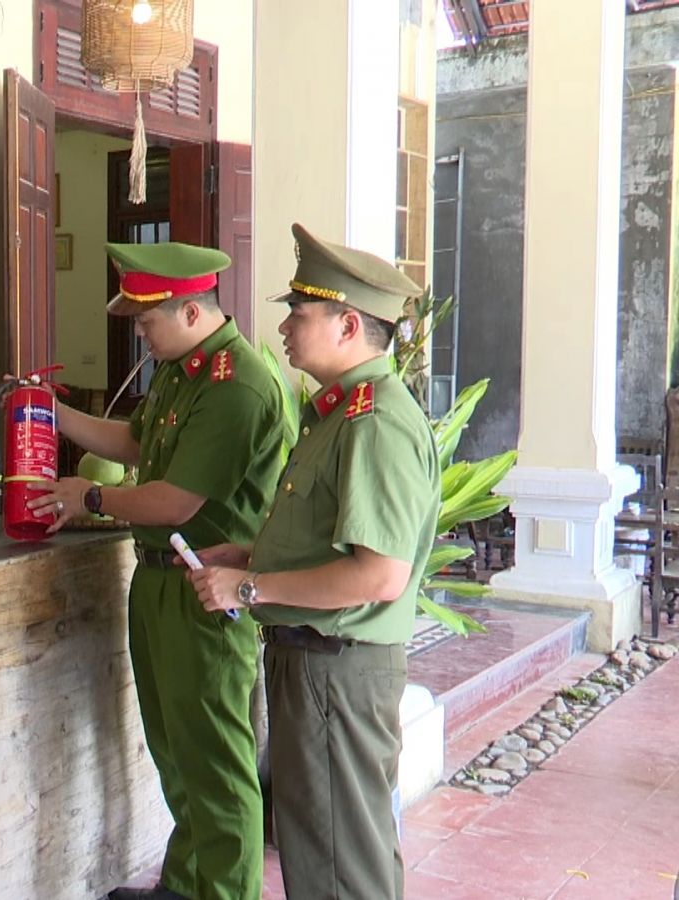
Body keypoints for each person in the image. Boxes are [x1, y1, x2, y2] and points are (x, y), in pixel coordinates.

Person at [186, 223, 440, 900]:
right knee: (323, 852)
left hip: (336, 669)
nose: (285, 329)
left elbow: (378, 575)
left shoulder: (375, 422)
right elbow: (332, 542)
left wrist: (250, 585)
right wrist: (251, 555)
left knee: (338, 868)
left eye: (299, 315)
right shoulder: (340, 414)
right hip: (316, 665)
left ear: (348, 325)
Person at [29, 242, 285, 900]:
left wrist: (91, 496)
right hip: (157, 582)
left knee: (217, 765)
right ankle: (186, 884)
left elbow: (174, 501)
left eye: (147, 322)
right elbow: (134, 441)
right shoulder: (182, 368)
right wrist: (50, 412)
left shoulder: (235, 383)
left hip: (205, 589)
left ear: (191, 312)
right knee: (176, 753)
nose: (141, 335)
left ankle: (225, 891)